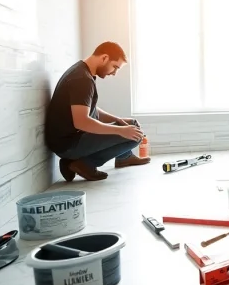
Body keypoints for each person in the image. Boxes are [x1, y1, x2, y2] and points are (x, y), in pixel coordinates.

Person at [45, 42, 150, 182]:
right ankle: (82, 164)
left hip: (70, 139)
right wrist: (120, 131)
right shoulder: (82, 79)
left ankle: (124, 157)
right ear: (104, 58)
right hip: (67, 145)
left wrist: (118, 120)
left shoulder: (83, 71)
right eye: (115, 67)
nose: (114, 73)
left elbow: (91, 109)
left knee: (132, 125)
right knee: (134, 135)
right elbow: (82, 122)